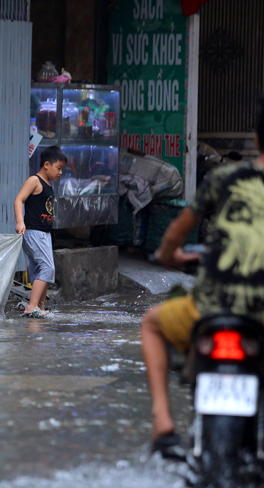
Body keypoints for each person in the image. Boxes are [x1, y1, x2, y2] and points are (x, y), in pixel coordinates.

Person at [142, 93, 264, 452]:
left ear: (256, 139)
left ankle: (163, 422)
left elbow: (176, 233)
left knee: (151, 324)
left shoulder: (223, 178)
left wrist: (168, 256)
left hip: (211, 308)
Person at [13, 146, 67, 318]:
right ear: (46, 165)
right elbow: (18, 200)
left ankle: (41, 308)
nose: (60, 173)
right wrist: (20, 222)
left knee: (40, 270)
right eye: (58, 168)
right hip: (34, 232)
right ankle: (32, 307)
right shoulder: (34, 181)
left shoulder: (48, 185)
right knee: (47, 268)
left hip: (44, 233)